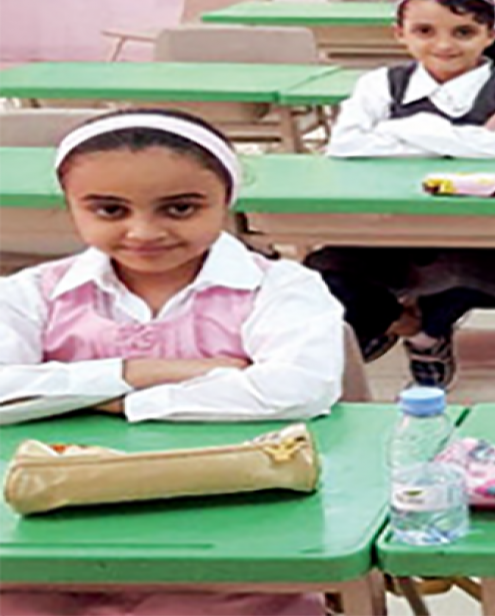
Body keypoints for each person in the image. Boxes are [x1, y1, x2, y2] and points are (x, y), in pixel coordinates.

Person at [0, 108, 342, 616]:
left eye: (180, 208)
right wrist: (138, 372)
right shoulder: (33, 293)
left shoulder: (281, 287)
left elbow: (298, 388)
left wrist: (100, 400)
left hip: (236, 536)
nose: (144, 232)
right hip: (47, 537)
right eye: (110, 210)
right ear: (71, 205)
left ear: (226, 199)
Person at [307, 0, 495, 387]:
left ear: (491, 35)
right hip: (386, 231)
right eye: (424, 31)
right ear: (399, 34)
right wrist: (468, 139)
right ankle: (404, 325)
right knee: (323, 274)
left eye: (464, 32)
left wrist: (396, 130)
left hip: (489, 236)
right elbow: (346, 144)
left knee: (468, 276)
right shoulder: (379, 84)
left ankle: (430, 331)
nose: (444, 45)